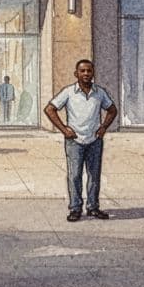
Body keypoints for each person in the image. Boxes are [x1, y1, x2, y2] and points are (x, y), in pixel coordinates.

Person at [44, 59, 117, 223]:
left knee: (94, 176)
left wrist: (104, 127)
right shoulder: (69, 92)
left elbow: (112, 110)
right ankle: (75, 208)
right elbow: (50, 109)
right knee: (74, 175)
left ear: (93, 73)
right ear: (76, 74)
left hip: (94, 140)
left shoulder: (100, 93)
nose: (86, 74)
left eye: (89, 71)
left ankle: (93, 207)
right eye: (82, 71)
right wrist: (64, 129)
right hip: (74, 141)